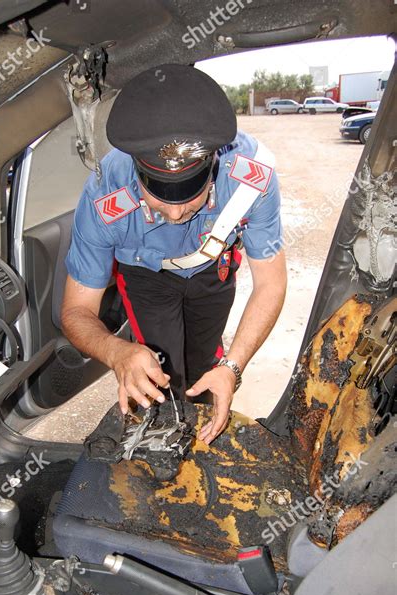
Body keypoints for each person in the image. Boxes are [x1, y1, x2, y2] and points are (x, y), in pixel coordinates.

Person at [61, 64, 286, 444]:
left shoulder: (251, 176)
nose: (178, 213)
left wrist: (232, 368)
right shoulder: (103, 194)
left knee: (205, 366)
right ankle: (164, 437)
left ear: (213, 163)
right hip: (146, 276)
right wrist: (117, 353)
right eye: (160, 197)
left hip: (213, 268)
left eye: (191, 195)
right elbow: (75, 310)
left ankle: (201, 430)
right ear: (135, 168)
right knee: (158, 373)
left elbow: (271, 283)